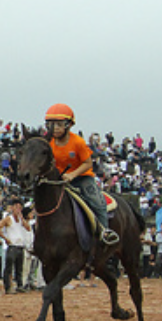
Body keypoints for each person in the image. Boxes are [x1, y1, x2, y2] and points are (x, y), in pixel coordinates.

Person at [44, 103, 118, 245]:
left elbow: (88, 163)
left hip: (82, 179)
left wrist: (72, 175)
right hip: (58, 180)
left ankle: (104, 233)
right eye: (51, 125)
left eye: (59, 124)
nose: (55, 129)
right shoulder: (48, 143)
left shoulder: (78, 142)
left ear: (68, 125)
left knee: (97, 202)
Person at [0, 198, 32, 294]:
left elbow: (28, 228)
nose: (18, 210)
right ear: (12, 208)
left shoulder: (20, 220)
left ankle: (19, 285)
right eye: (16, 207)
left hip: (20, 245)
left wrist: (22, 218)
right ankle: (7, 286)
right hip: (12, 245)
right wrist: (5, 238)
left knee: (19, 267)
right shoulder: (8, 219)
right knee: (9, 268)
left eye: (20, 208)